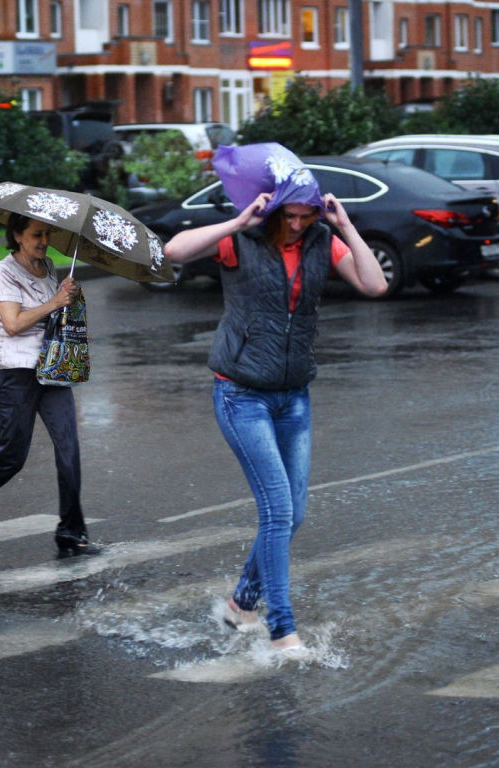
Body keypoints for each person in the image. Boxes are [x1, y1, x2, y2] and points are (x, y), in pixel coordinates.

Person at [163, 168, 387, 652]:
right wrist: (237, 220)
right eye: (291, 216)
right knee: (278, 510)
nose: (298, 225)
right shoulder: (240, 240)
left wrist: (345, 226)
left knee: (294, 513)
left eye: (308, 216)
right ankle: (283, 628)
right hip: (241, 394)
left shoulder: (323, 242)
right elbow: (174, 251)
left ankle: (240, 604)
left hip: (293, 396)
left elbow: (375, 285)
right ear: (275, 209)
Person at [0, 213, 101, 555]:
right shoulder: (4, 271)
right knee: (11, 458)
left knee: (69, 451)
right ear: (17, 235)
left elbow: (52, 316)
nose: (44, 241)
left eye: (47, 234)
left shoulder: (50, 268)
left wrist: (65, 299)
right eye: (36, 234)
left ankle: (71, 531)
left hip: (51, 370)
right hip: (13, 373)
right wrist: (54, 302)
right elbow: (13, 324)